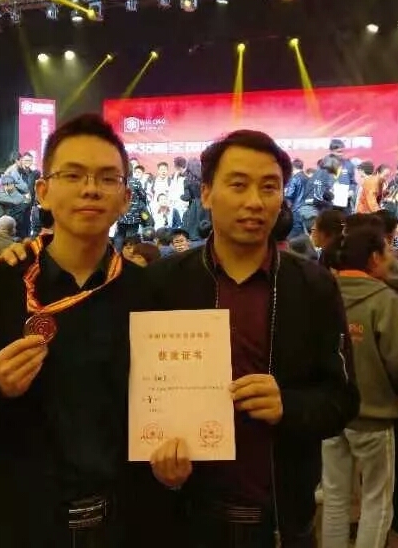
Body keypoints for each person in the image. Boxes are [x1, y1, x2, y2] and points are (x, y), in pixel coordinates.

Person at [0, 114, 145, 548]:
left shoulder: (149, 293)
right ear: (42, 191)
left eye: (107, 178)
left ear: (125, 198)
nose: (90, 189)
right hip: (15, 522)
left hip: (118, 523)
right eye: (73, 175)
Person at [143, 130, 359, 548]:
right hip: (184, 516)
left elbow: (343, 399)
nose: (255, 202)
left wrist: (288, 405)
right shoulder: (163, 283)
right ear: (206, 193)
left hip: (280, 519)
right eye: (238, 185)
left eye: (269, 187)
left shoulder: (312, 286)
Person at [322, 226, 398, 548]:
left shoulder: (323, 294)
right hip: (373, 413)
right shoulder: (384, 299)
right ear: (374, 257)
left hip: (330, 412)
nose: (390, 258)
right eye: (386, 252)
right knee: (377, 500)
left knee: (335, 497)